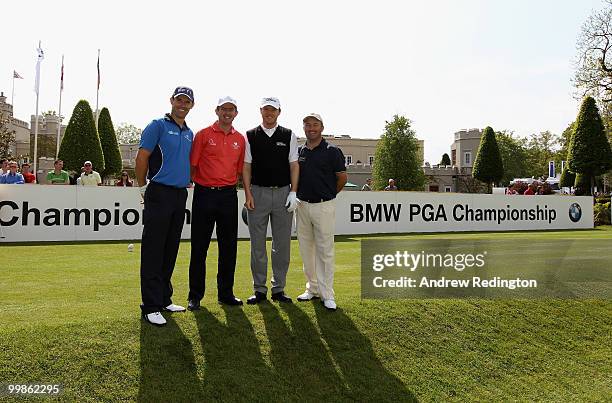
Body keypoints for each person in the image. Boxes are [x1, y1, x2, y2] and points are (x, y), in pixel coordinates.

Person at [135, 86, 195, 326]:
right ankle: (150, 305)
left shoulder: (190, 132)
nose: (182, 104)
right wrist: (142, 187)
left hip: (180, 195)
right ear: (172, 101)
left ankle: (164, 298)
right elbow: (142, 157)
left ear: (192, 105)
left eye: (187, 101)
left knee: (170, 249)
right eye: (179, 100)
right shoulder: (157, 125)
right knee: (153, 250)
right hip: (158, 191)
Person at [187, 96, 245, 310]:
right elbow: (193, 166)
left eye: (231, 110)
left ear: (236, 113)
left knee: (229, 247)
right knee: (199, 247)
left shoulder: (240, 139)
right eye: (224, 109)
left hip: (228, 196)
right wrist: (204, 184)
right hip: (204, 194)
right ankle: (195, 296)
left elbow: (239, 171)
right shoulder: (203, 135)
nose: (227, 113)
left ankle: (226, 293)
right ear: (217, 111)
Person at [242, 97, 299, 304]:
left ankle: (278, 288)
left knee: (281, 245)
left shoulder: (288, 135)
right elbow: (246, 167)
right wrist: (248, 193)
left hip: (283, 193)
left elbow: (294, 165)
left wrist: (294, 191)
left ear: (279, 112)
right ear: (260, 111)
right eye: (266, 109)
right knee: (257, 244)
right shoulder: (250, 135)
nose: (269, 113)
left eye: (273, 110)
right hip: (258, 193)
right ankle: (259, 289)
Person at [295, 113, 347, 311]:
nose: (311, 128)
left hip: (324, 205)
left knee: (325, 251)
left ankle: (327, 294)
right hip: (302, 205)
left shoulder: (332, 151)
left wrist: (329, 194)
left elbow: (341, 177)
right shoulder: (300, 151)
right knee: (306, 251)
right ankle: (312, 289)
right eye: (307, 125)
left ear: (322, 127)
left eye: (315, 124)